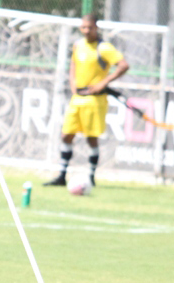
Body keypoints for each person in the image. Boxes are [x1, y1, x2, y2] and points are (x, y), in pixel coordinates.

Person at [45, 13, 129, 187]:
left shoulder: (103, 48)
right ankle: (62, 175)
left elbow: (123, 65)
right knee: (66, 135)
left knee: (91, 138)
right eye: (83, 27)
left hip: (94, 100)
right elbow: (73, 64)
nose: (86, 30)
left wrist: (103, 83)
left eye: (89, 27)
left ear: (96, 27)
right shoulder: (78, 45)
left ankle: (91, 176)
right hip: (77, 98)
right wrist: (72, 82)